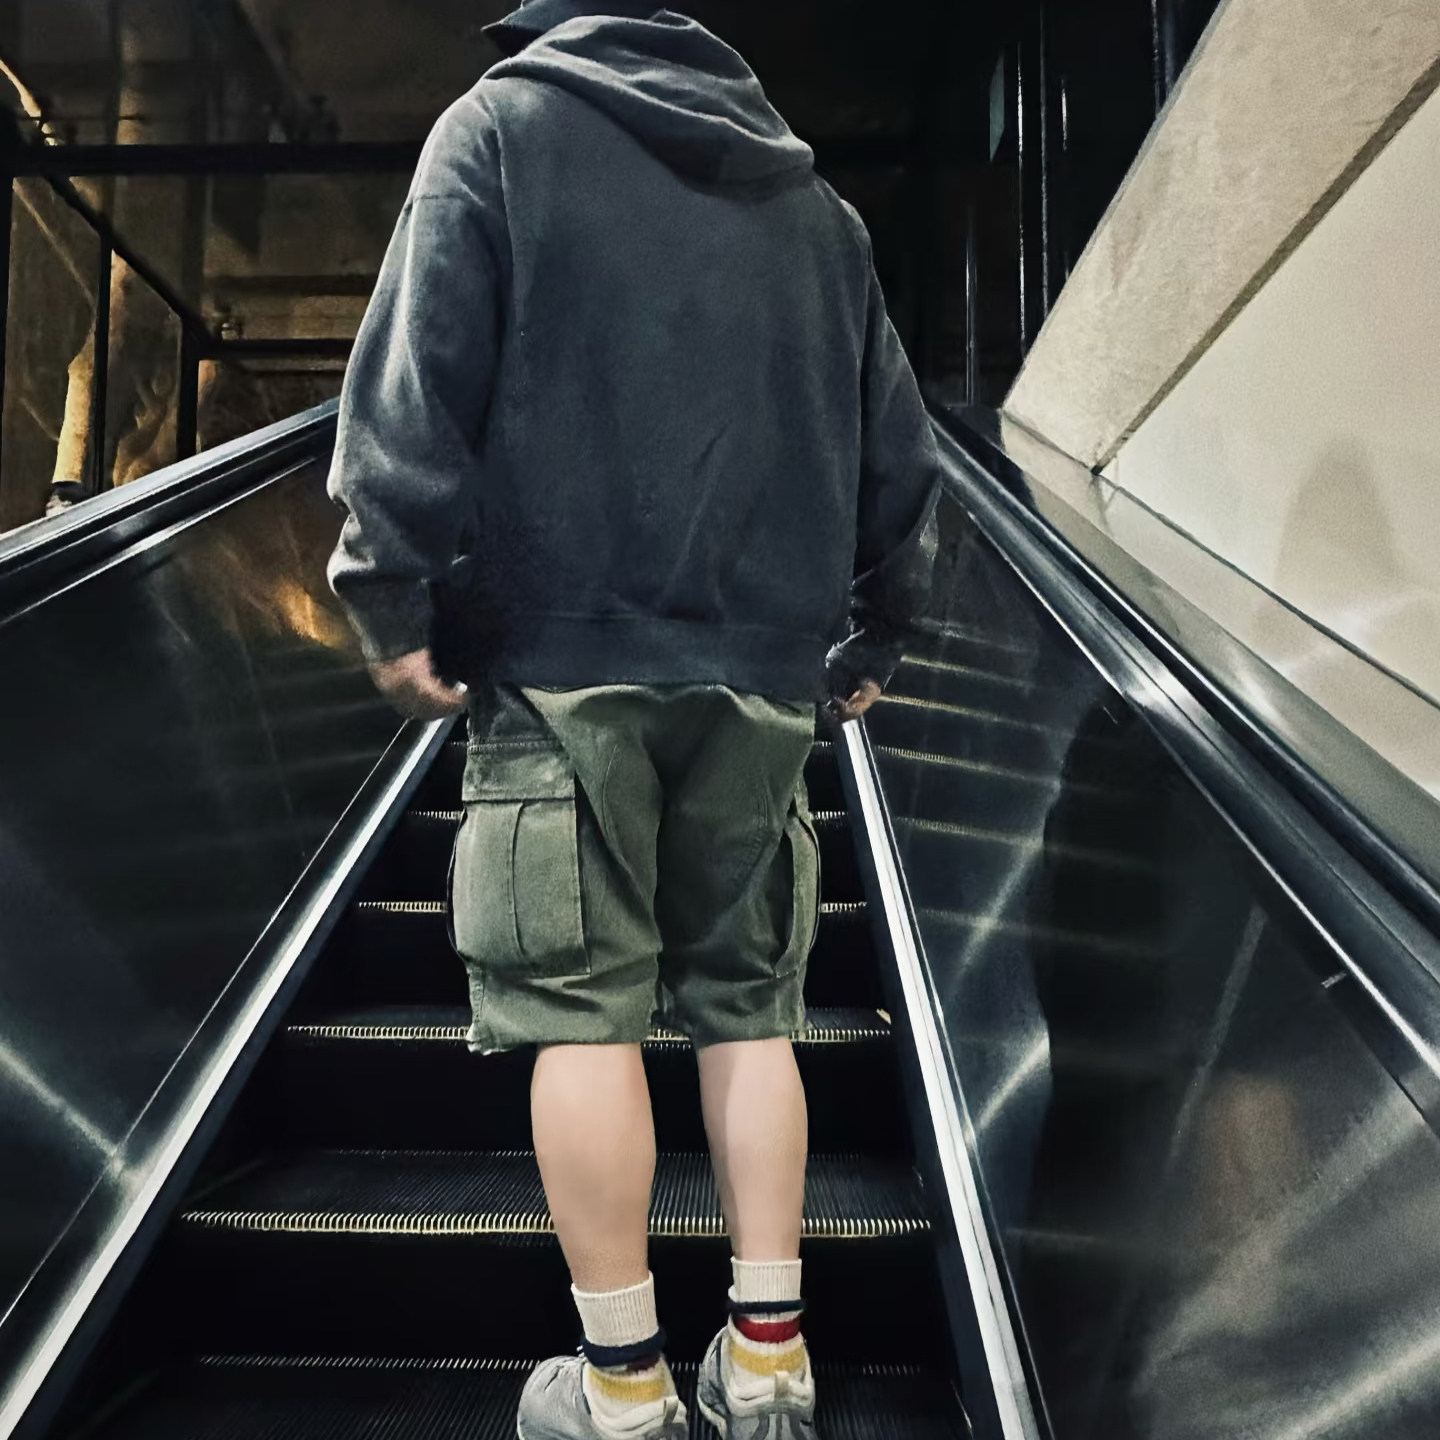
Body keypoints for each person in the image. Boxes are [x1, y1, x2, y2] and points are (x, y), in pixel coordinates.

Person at [325, 2, 942, 1436]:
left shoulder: (499, 132)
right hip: (762, 675)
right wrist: (880, 629)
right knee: (752, 1009)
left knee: (576, 1012)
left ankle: (622, 1390)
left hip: (557, 661)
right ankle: (770, 1364)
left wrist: (390, 599)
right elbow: (901, 458)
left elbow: (414, 382)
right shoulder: (821, 216)